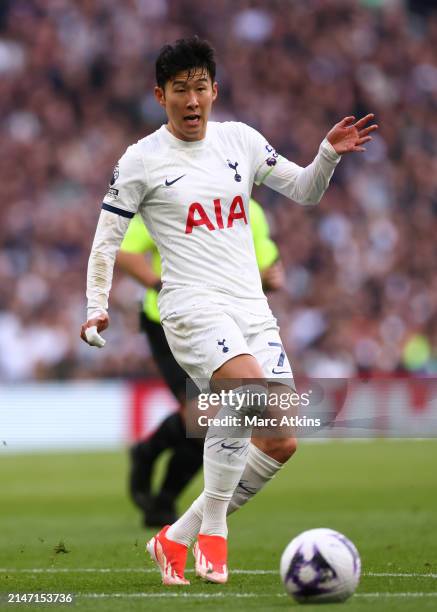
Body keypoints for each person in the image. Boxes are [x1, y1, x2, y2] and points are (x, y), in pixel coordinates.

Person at [80, 36, 377, 585]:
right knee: (244, 389)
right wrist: (96, 308)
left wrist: (328, 155)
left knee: (281, 439)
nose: (191, 101)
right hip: (191, 305)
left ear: (214, 91)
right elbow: (106, 242)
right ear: (159, 95)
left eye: (199, 88)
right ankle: (214, 529)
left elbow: (305, 191)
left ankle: (176, 537)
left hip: (250, 307)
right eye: (179, 91)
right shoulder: (141, 160)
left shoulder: (240, 140)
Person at [116, 200, 285, 528]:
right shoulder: (177, 198)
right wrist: (163, 287)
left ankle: (157, 479)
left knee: (209, 417)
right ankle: (160, 488)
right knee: (205, 416)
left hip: (223, 324)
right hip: (170, 323)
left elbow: (269, 270)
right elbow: (126, 253)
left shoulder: (252, 211)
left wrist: (268, 279)